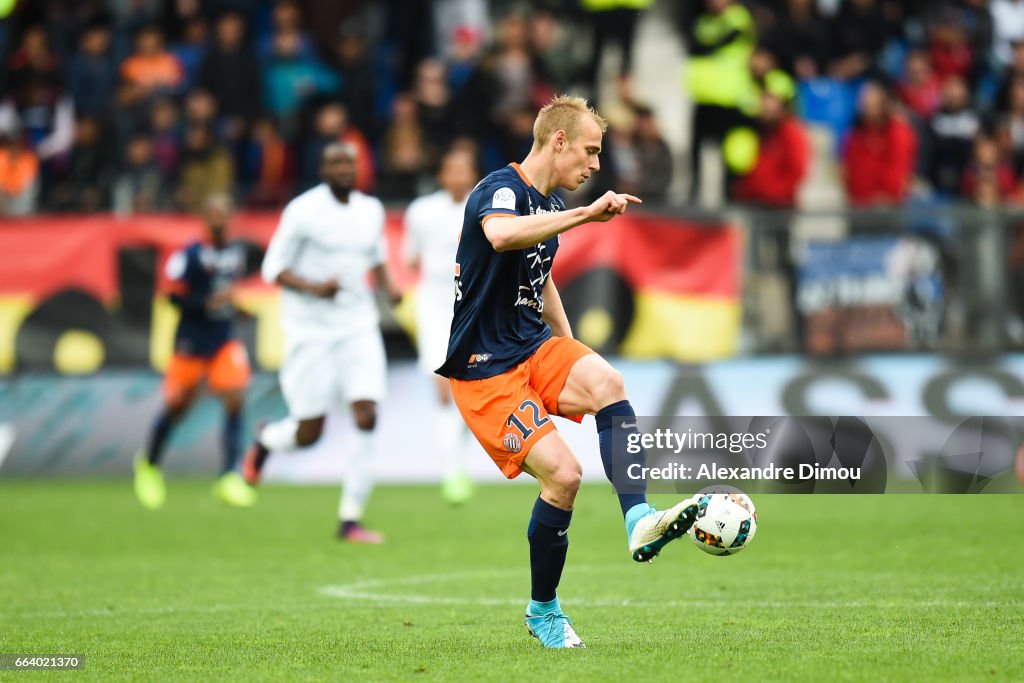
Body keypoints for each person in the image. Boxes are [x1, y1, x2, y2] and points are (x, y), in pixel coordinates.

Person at [436, 95, 699, 649]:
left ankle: (640, 520)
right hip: (485, 371)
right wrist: (586, 214)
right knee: (565, 476)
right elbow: (503, 236)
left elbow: (541, 277)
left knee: (607, 381)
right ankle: (543, 611)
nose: (596, 165)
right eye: (591, 150)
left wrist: (571, 347)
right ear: (558, 141)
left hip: (532, 345)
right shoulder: (500, 190)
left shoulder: (546, 204)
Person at [242, 143, 401, 544]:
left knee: (367, 413)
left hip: (357, 326)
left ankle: (350, 519)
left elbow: (376, 257)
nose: (343, 169)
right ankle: (266, 440)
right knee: (309, 432)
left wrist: (390, 288)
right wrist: (315, 288)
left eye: (349, 162)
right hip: (310, 330)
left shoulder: (370, 210)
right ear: (322, 168)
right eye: (335, 163)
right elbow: (272, 268)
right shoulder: (302, 210)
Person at [134, 193, 256, 510]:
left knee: (234, 399)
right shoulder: (188, 255)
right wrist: (206, 304)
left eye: (224, 214)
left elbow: (224, 293)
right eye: (213, 213)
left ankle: (229, 476)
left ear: (231, 217)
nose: (219, 220)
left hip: (223, 340)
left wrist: (235, 309)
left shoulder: (235, 253)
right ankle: (149, 465)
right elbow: (172, 298)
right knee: (178, 407)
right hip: (191, 341)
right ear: (204, 217)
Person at [404, 147, 479, 504]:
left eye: (464, 168)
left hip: (472, 305)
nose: (458, 175)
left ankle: (458, 462)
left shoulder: (483, 206)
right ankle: (454, 470)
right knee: (442, 385)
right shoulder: (421, 212)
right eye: (452, 168)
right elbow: (410, 257)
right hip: (434, 305)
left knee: (467, 385)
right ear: (441, 174)